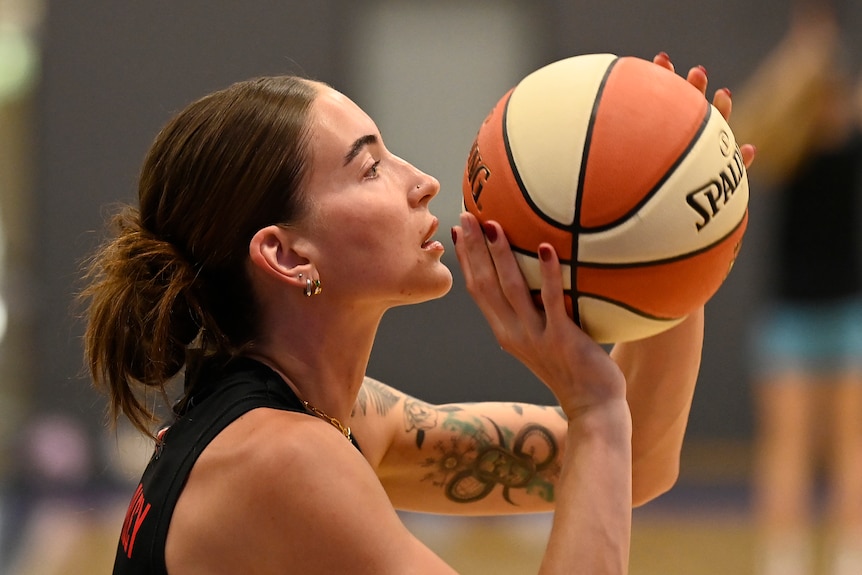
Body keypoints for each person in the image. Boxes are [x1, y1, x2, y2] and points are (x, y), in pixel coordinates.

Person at [80, 52, 754, 574]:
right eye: (369, 167)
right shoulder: (278, 460)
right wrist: (596, 406)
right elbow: (612, 440)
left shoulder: (336, 416)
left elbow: (636, 465)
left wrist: (674, 243)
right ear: (287, 254)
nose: (422, 181)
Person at [732, 4, 862, 575]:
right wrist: (810, 53)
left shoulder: (797, 141)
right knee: (823, 446)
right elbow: (755, 124)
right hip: (807, 314)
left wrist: (805, 49)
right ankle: (813, 557)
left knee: (810, 446)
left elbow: (765, 108)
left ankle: (829, 555)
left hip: (821, 312)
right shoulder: (794, 142)